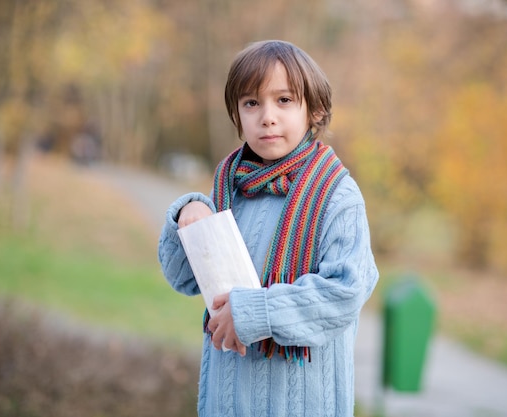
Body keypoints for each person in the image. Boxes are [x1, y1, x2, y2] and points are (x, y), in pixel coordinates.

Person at [158, 40, 379, 417]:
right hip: (227, 402)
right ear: (237, 114)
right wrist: (187, 213)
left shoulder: (337, 196)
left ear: (315, 111)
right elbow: (183, 278)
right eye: (251, 103)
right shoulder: (228, 189)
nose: (267, 116)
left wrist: (254, 312)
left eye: (284, 100)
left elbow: (345, 292)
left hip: (302, 404)